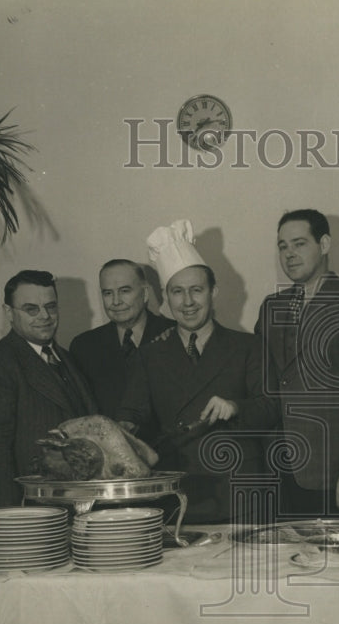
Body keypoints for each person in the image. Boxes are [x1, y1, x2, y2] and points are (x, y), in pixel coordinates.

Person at [117, 220, 278, 524]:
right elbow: (132, 413)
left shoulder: (248, 346)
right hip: (181, 494)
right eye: (177, 292)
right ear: (166, 297)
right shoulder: (150, 355)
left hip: (239, 493)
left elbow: (271, 407)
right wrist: (120, 430)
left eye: (196, 290)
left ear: (213, 292)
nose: (187, 302)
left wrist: (234, 407)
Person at [254, 209, 339, 518]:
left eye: (299, 244)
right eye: (282, 246)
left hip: (333, 475)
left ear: (325, 244)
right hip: (279, 469)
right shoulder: (271, 306)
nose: (289, 254)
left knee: (337, 562)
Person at [0, 270, 97, 513]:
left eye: (50, 306)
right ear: (9, 313)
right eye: (31, 309)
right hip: (23, 517)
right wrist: (12, 520)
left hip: (69, 512)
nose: (45, 316)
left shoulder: (67, 359)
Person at [69, 259, 174, 420]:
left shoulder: (175, 334)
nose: (116, 301)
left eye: (125, 291)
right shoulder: (84, 346)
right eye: (108, 293)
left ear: (145, 293)